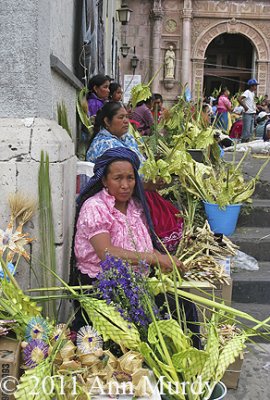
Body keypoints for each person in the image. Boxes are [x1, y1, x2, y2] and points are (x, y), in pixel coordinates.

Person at [72, 148, 200, 348]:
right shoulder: (95, 207)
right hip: (102, 284)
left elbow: (143, 245)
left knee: (182, 305)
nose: (125, 185)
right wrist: (154, 259)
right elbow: (106, 254)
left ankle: (189, 362)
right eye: (118, 178)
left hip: (136, 282)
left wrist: (164, 259)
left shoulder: (135, 206)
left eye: (130, 178)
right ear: (104, 180)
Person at [86, 101, 183, 253]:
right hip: (123, 194)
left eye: (126, 117)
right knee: (164, 222)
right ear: (107, 121)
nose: (126, 121)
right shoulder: (105, 145)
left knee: (172, 217)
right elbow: (118, 181)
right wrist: (146, 185)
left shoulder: (126, 138)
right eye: (120, 117)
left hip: (138, 188)